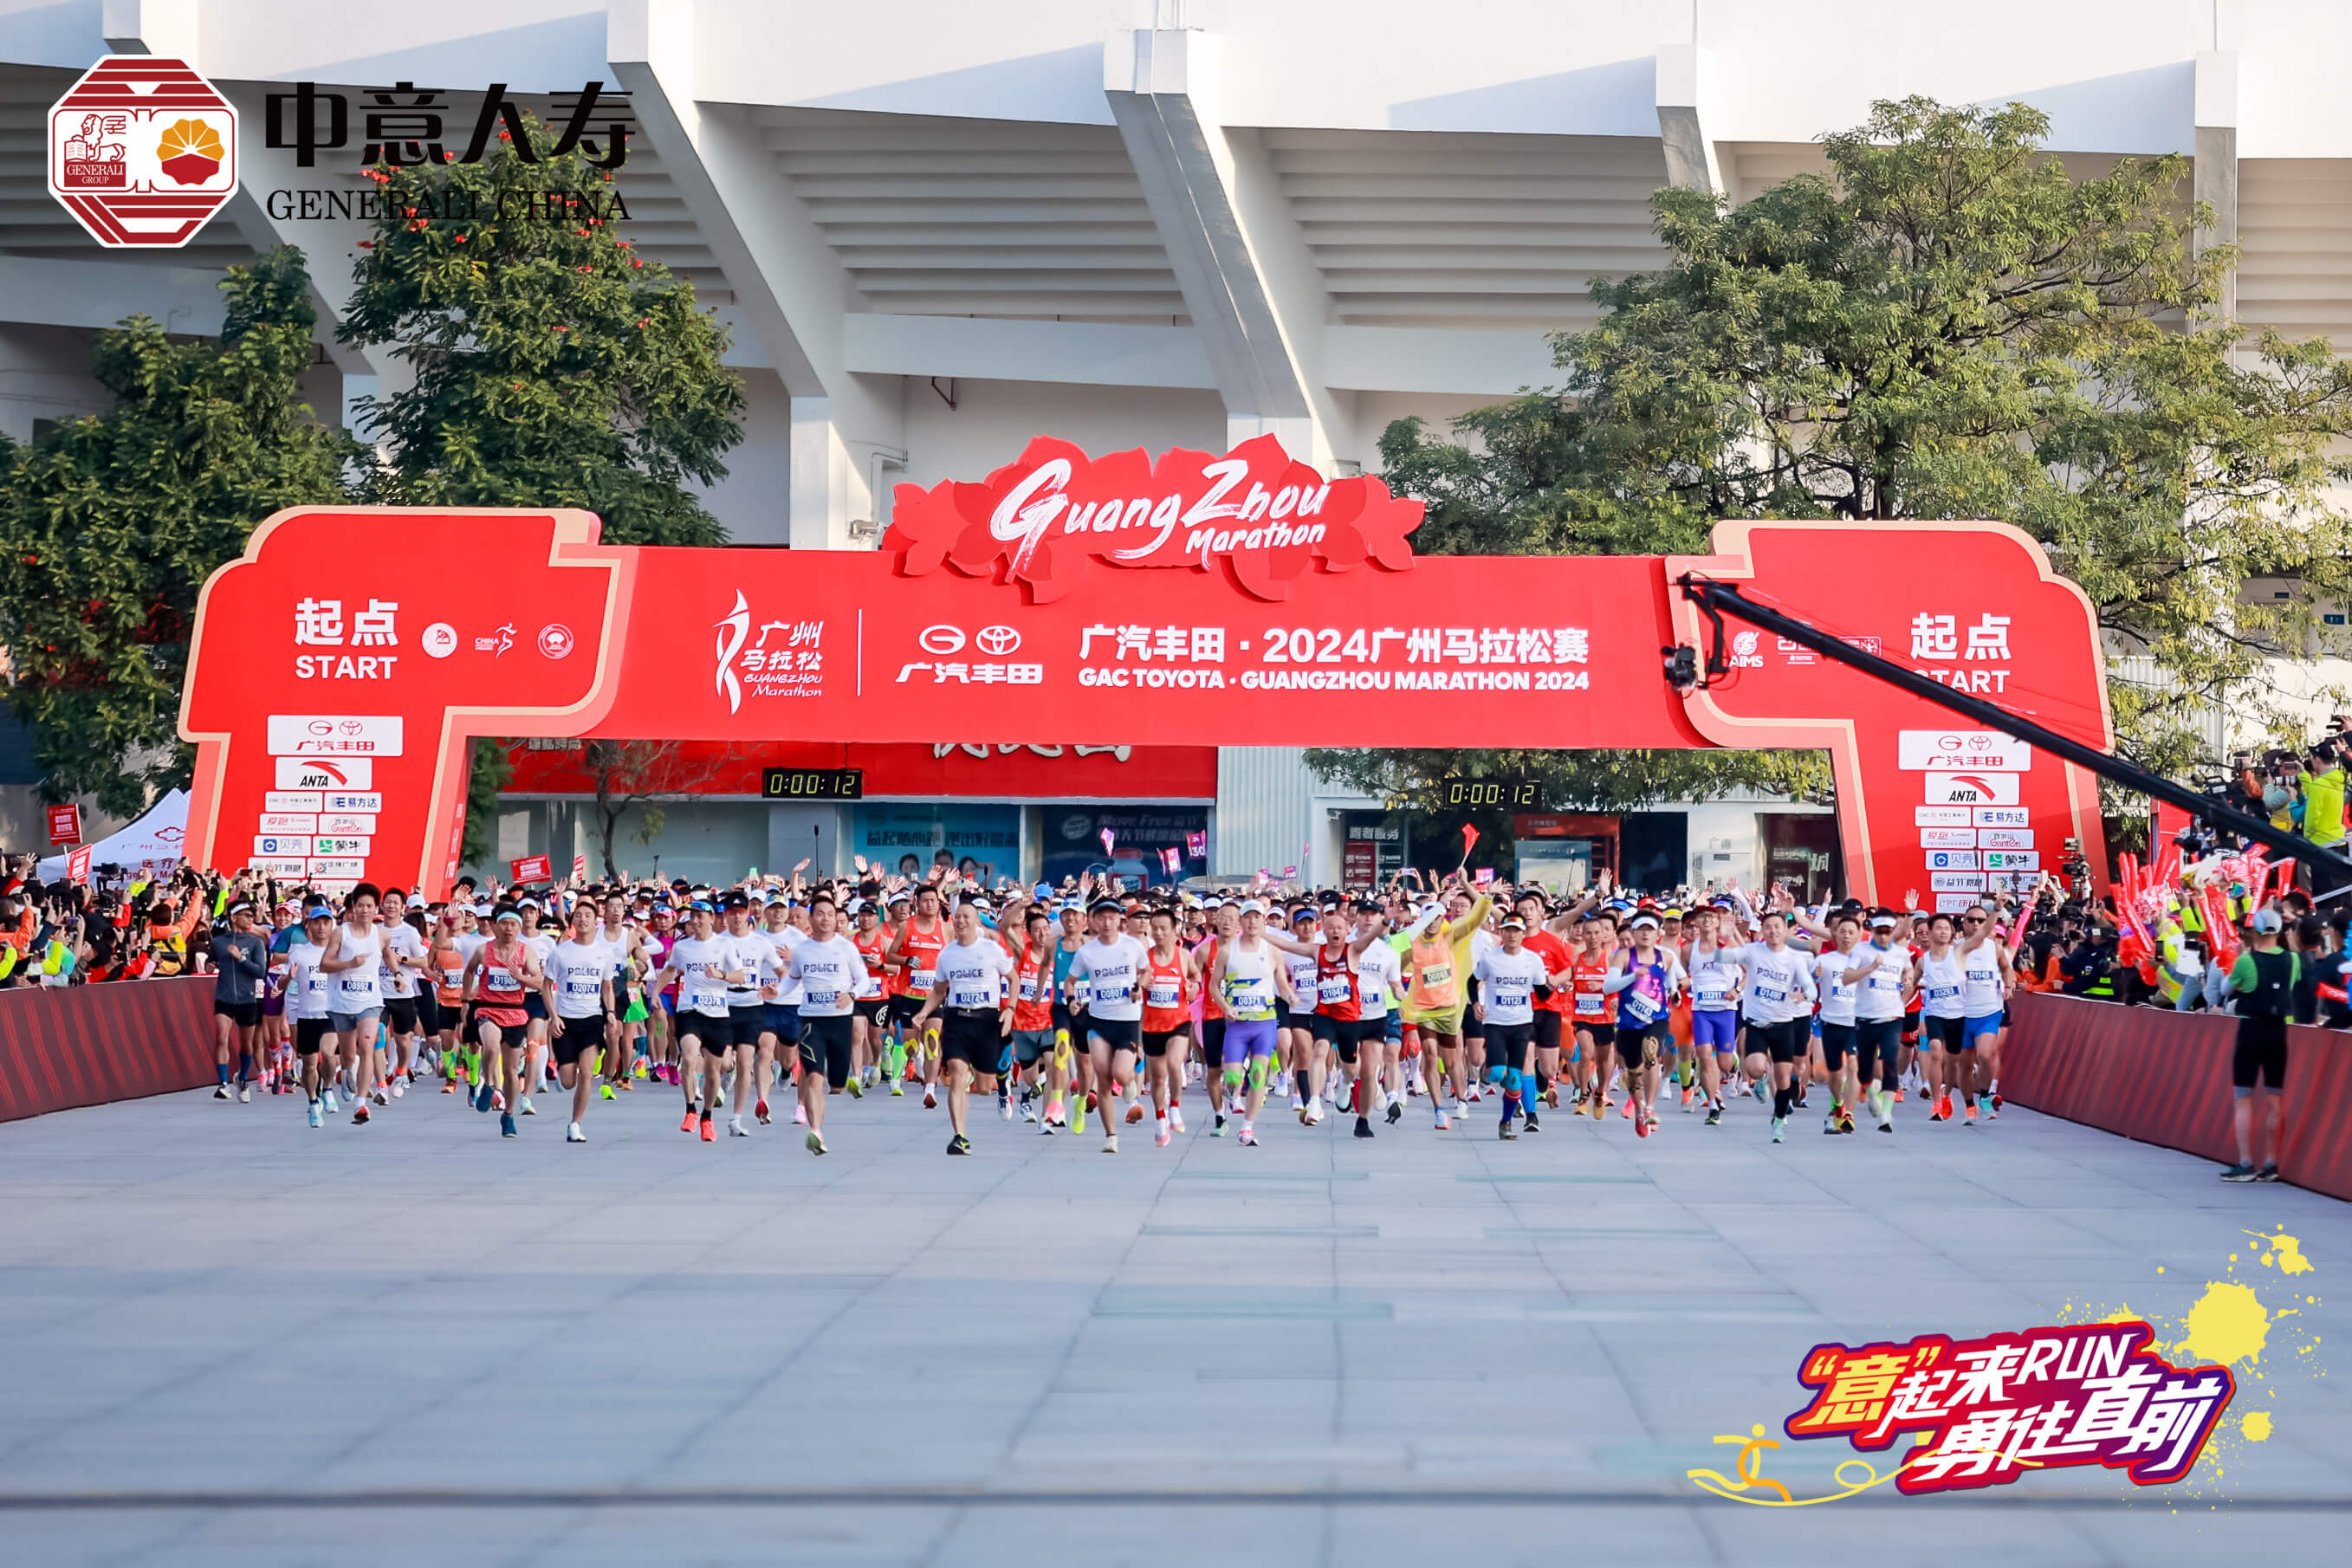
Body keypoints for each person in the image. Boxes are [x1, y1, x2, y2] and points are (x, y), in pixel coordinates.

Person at [911, 894, 1015, 1155]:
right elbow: (939, 990)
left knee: (984, 1087)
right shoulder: (947, 954)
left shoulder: (991, 949)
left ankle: (1003, 1083)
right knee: (957, 1074)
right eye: (957, 917)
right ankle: (960, 1136)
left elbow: (1013, 979)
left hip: (987, 1018)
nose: (960, 921)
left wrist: (1011, 1009)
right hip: (957, 1018)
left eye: (966, 917)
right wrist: (924, 1012)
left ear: (976, 922)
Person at [1066, 897, 1150, 1154]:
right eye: (1101, 918)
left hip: (1127, 1020)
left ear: (1119, 920)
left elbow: (1146, 971)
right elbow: (1070, 981)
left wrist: (1139, 987)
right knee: (1103, 1077)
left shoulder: (1132, 946)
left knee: (1121, 1073)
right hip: (1099, 1020)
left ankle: (1129, 1082)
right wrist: (1071, 1001)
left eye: (1112, 918)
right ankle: (1111, 1135)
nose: (1106, 923)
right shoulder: (1086, 952)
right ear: (1093, 921)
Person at [783, 893, 864, 1155]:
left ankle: (845, 1080)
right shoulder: (802, 950)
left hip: (840, 1021)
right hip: (811, 1020)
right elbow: (792, 979)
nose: (826, 919)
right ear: (811, 918)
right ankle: (816, 1131)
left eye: (830, 914)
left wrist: (851, 995)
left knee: (836, 1086)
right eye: (820, 914)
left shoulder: (846, 948)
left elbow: (863, 980)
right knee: (814, 1077)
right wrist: (776, 991)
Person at [1207, 897, 1289, 1146]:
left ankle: (1247, 1128)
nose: (1253, 922)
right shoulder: (1227, 951)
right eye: (1248, 917)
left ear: (1264, 921)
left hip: (1264, 1023)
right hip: (1237, 1025)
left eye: (1257, 917)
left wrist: (1291, 997)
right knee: (1232, 1080)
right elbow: (1213, 986)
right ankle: (1233, 1094)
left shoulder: (1273, 952)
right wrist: (1225, 1007)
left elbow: (1282, 985)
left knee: (1258, 1074)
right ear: (1241, 921)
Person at [2222, 909, 2295, 1182]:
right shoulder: (2293, 960)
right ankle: (2271, 1163)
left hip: (2251, 1030)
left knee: (2243, 1097)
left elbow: (2227, 988)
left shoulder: (2246, 961)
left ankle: (2245, 1163)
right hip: (2278, 1031)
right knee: (2275, 1098)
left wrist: (2241, 957)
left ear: (2255, 931)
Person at [543, 902, 618, 1144]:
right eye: (579, 915)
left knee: (586, 1073)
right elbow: (546, 986)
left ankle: (575, 1124)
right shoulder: (561, 952)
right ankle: (561, 1073)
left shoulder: (604, 953)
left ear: (596, 921)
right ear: (573, 921)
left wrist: (610, 1012)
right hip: (566, 1020)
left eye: (588, 915)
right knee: (568, 1081)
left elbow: (607, 987)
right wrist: (553, 1016)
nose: (583, 919)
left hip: (592, 1019)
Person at [209, 901, 269, 1101]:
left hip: (247, 999)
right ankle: (223, 1084)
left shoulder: (255, 943)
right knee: (221, 1037)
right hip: (224, 997)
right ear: (234, 918)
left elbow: (260, 972)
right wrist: (210, 965)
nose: (251, 919)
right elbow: (211, 960)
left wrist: (241, 959)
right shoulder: (219, 942)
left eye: (252, 915)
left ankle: (242, 1078)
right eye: (247, 915)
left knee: (246, 1045)